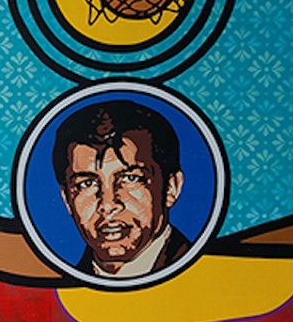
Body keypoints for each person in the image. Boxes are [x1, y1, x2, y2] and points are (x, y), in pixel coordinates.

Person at [51, 100, 191, 279]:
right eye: (86, 184)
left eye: (130, 179)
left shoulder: (212, 274)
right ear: (66, 199)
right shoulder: (59, 285)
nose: (108, 205)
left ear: (171, 187)